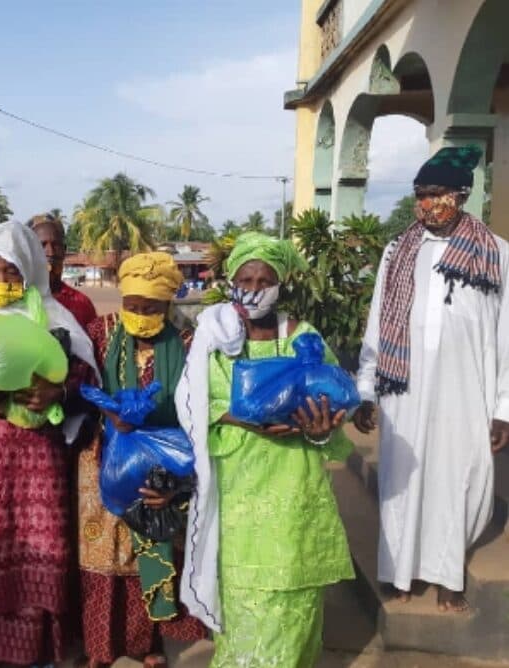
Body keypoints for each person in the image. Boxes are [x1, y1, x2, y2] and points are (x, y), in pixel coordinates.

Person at [175, 232, 354, 667]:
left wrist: (316, 428)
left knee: (292, 604)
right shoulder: (214, 339)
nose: (254, 289)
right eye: (246, 278)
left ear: (280, 285)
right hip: (237, 495)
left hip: (295, 492)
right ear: (231, 280)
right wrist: (244, 417)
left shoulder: (304, 337)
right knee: (243, 604)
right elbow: (196, 404)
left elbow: (335, 407)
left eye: (264, 280)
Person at [353, 145, 509, 612]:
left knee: (464, 477)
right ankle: (399, 573)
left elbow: (507, 334)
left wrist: (504, 408)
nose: (426, 204)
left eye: (435, 194)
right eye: (419, 194)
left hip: (469, 392)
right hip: (406, 393)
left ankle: (448, 573)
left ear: (461, 196)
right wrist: (366, 389)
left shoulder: (497, 254)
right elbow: (377, 324)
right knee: (404, 478)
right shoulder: (398, 251)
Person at [0, 221, 98, 668]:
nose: (1, 281)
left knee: (40, 553)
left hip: (37, 461)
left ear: (29, 271)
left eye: (11, 271)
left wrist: (59, 393)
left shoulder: (55, 319)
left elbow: (87, 381)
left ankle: (39, 657)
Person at [78, 252, 206, 668]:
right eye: (132, 306)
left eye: (150, 309)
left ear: (168, 306)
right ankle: (100, 649)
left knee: (146, 553)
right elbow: (77, 380)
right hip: (104, 461)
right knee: (101, 556)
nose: (139, 315)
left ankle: (145, 644)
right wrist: (109, 412)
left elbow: (195, 409)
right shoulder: (101, 332)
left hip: (160, 464)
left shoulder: (186, 344)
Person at [28, 213, 97, 329]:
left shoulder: (82, 303)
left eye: (56, 245)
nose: (50, 252)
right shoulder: (18, 301)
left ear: (64, 250)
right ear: (28, 251)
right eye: (42, 245)